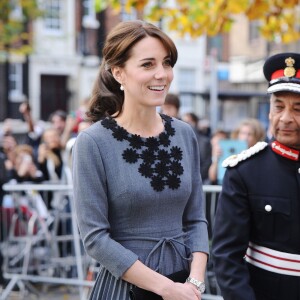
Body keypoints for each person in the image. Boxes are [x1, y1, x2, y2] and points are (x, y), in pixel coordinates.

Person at [72, 20, 209, 300]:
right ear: (118, 72)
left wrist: (195, 283)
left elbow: (196, 219)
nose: (162, 74)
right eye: (148, 64)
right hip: (125, 290)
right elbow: (96, 239)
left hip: (185, 287)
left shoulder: (184, 134)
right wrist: (167, 289)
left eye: (167, 63)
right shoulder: (93, 143)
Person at [212, 52, 300, 300]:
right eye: (279, 106)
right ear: (269, 112)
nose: (286, 118)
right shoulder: (245, 171)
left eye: (298, 108)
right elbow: (227, 256)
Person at [182, 112, 212, 183]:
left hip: (198, 182)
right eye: (184, 121)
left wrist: (194, 178)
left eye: (189, 121)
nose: (186, 124)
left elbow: (206, 164)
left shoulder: (204, 142)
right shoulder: (178, 140)